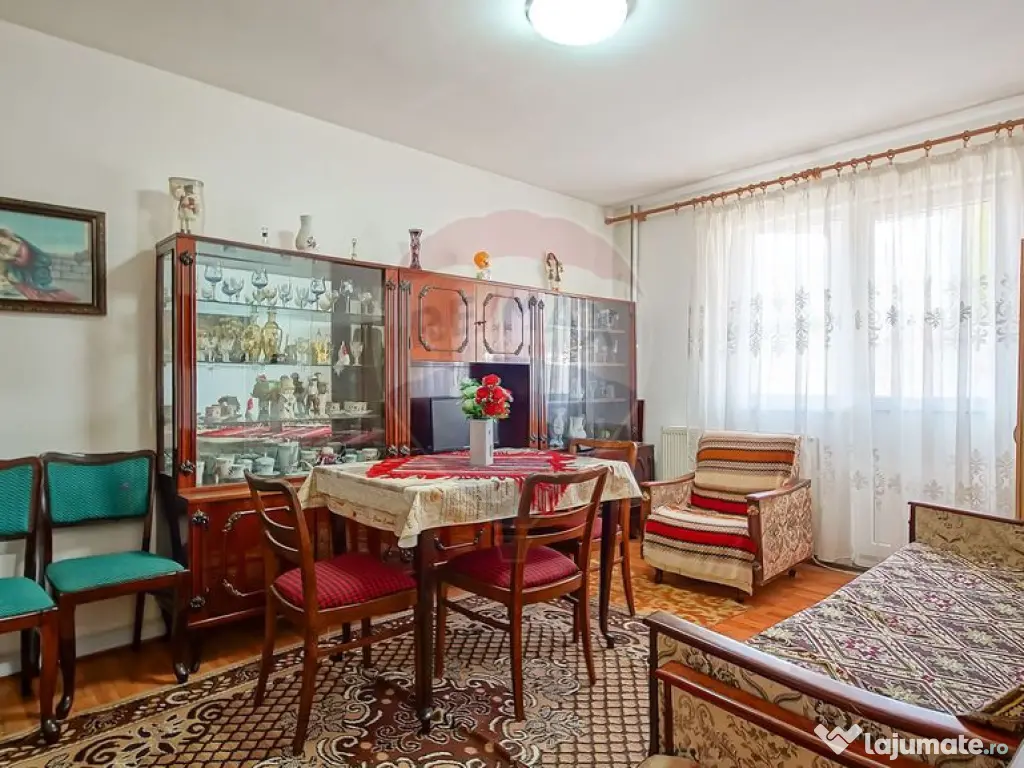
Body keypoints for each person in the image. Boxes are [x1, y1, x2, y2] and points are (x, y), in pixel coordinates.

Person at [0, 229, 79, 301]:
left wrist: (16, 259)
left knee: (41, 290)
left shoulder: (17, 242)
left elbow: (24, 256)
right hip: (17, 273)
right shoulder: (3, 249)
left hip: (30, 268)